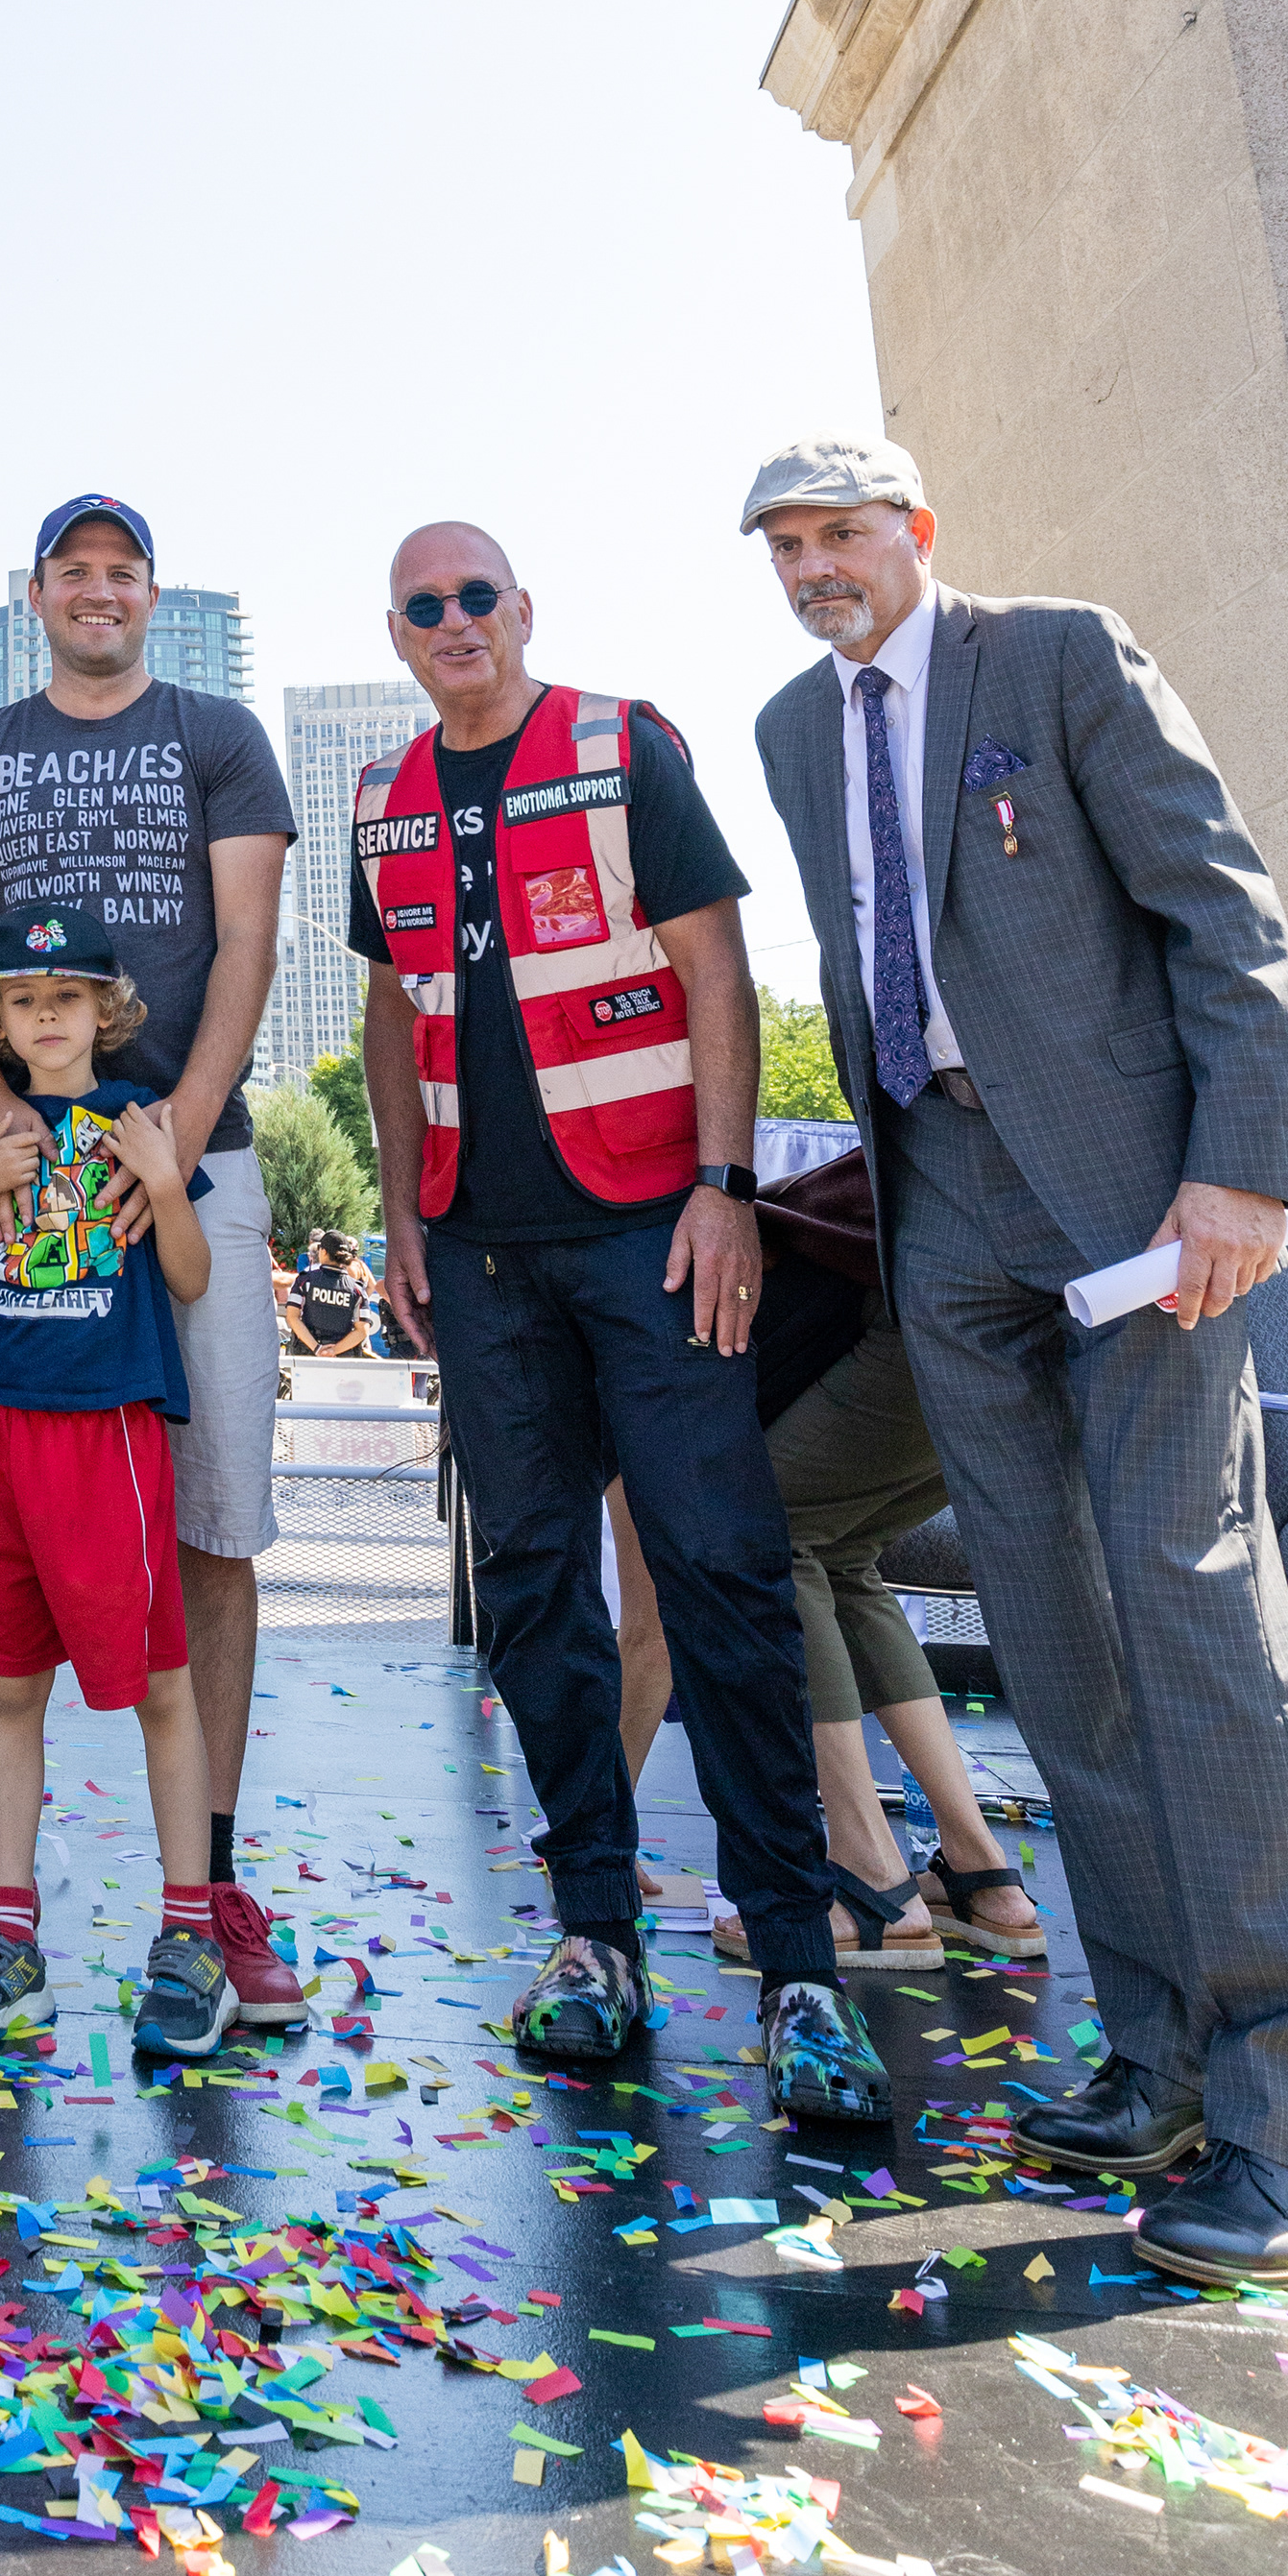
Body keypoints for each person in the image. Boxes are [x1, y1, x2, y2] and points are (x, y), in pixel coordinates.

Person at [745, 435, 1288, 2282]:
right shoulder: (791, 730)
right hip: (946, 1218)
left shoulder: (1061, 654)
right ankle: (1164, 2054)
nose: (813, 564)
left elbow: (1224, 911)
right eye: (784, 541)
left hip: (1140, 1208)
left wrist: (1244, 1167)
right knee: (1055, 1638)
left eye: (842, 529)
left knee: (1190, 1611)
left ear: (916, 530)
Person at [351, 518, 887, 2134]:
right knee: (530, 1593)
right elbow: (395, 1012)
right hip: (483, 1251)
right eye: (425, 605)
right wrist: (399, 1207)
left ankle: (797, 1962)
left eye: (477, 596)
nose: (456, 621)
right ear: (400, 634)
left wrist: (725, 1186)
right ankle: (596, 1937)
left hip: (654, 1233)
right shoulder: (381, 798)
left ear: (523, 608)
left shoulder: (618, 741)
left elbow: (715, 968)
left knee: (720, 1573)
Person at [0, 493, 304, 2035]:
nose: (97, 590)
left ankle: (202, 1892)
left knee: (211, 1529)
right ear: (37, 594)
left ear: (153, 591)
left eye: (121, 570)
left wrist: (167, 1145)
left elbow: (251, 941)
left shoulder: (219, 731)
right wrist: (17, 1131)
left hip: (186, 1162)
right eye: (71, 571)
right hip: (15, 1176)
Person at [0, 906, 232, 2062]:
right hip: (4, 1432)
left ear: (108, 1009)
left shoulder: (138, 1126)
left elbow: (191, 1280)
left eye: (67, 995)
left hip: (108, 1436)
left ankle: (190, 1932)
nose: (46, 1014)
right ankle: (8, 1934)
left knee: (157, 1686)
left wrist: (167, 1171)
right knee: (5, 1682)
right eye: (21, 997)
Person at [706, 1156, 1048, 1974]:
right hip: (1012, 1314)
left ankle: (870, 1875)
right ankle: (981, 1872)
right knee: (844, 1555)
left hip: (931, 1299)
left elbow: (647, 1631)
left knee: (769, 1533)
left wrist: (598, 1840)